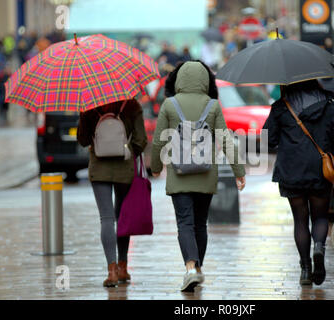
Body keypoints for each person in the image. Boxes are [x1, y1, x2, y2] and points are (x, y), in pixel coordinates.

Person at [151, 60, 246, 292]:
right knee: (200, 224)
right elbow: (225, 139)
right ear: (205, 80)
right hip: (206, 174)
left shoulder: (169, 105)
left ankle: (191, 268)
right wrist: (239, 171)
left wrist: (154, 166)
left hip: (179, 174)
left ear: (179, 79)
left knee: (185, 222)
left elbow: (158, 141)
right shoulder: (212, 105)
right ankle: (199, 270)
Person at [263, 79, 334, 286]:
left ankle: (305, 270)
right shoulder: (328, 104)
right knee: (320, 217)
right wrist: (333, 156)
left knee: (300, 220)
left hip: (291, 171)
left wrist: (284, 146)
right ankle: (319, 247)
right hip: (320, 169)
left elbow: (268, 139)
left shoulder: (281, 107)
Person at [77, 99, 147, 287]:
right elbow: (141, 140)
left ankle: (112, 271)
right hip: (125, 168)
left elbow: (83, 140)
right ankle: (123, 267)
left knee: (107, 219)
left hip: (99, 168)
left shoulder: (88, 104)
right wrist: (127, 149)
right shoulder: (132, 105)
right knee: (123, 216)